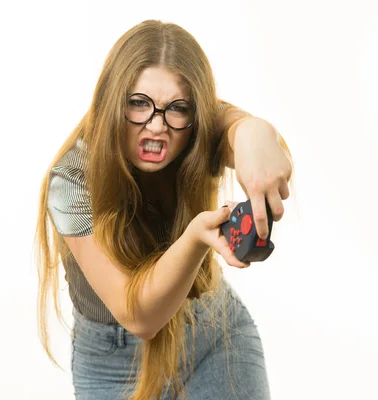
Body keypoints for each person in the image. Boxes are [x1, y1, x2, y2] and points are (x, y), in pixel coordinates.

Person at [35, 19, 293, 400]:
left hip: (211, 336)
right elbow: (139, 316)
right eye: (138, 103)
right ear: (111, 102)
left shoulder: (193, 131)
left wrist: (254, 131)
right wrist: (194, 239)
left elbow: (242, 133)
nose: (156, 126)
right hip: (111, 363)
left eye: (177, 107)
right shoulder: (73, 180)